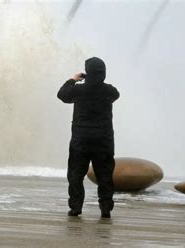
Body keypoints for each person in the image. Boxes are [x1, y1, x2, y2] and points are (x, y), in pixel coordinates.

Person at [57, 57, 120, 218]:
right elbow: (116, 95)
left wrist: (73, 80)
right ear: (103, 73)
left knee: (76, 175)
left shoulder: (78, 90)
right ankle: (105, 208)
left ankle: (76, 207)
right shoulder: (109, 91)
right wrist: (95, 81)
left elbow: (62, 95)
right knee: (105, 175)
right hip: (103, 141)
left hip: (81, 140)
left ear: (88, 73)